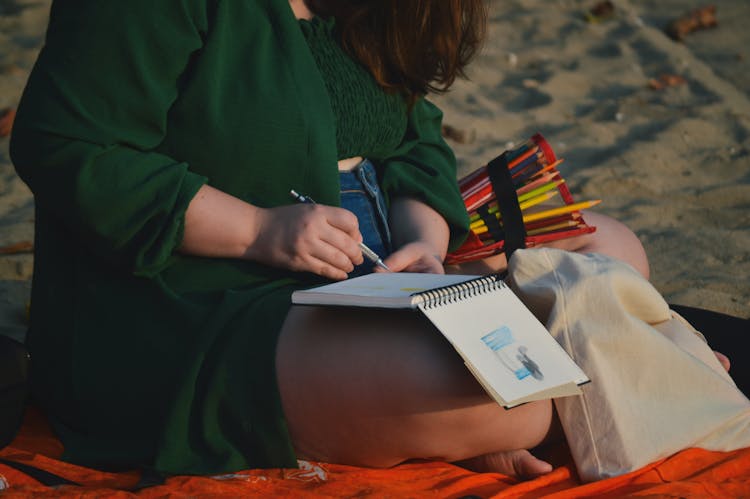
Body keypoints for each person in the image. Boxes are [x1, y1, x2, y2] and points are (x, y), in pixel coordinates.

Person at [11, 0, 655, 479]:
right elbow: (66, 146)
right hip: (203, 299)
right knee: (514, 403)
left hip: (377, 264)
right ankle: (600, 379)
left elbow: (413, 136)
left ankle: (478, 409)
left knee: (614, 249)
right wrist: (258, 231)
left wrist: (423, 246)